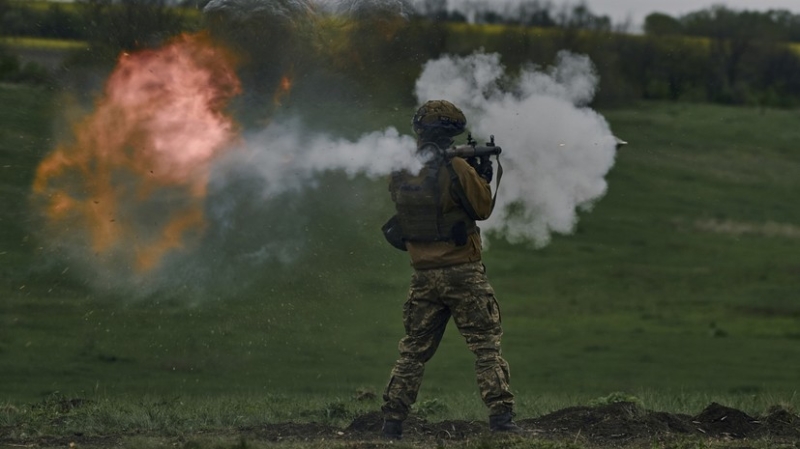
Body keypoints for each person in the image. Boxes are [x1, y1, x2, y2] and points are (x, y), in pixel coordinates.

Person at [380, 100, 524, 439]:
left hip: (423, 274)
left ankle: (391, 423)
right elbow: (482, 207)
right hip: (462, 272)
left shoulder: (402, 167)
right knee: (486, 346)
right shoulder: (457, 166)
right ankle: (501, 420)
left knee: (413, 352)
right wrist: (481, 175)